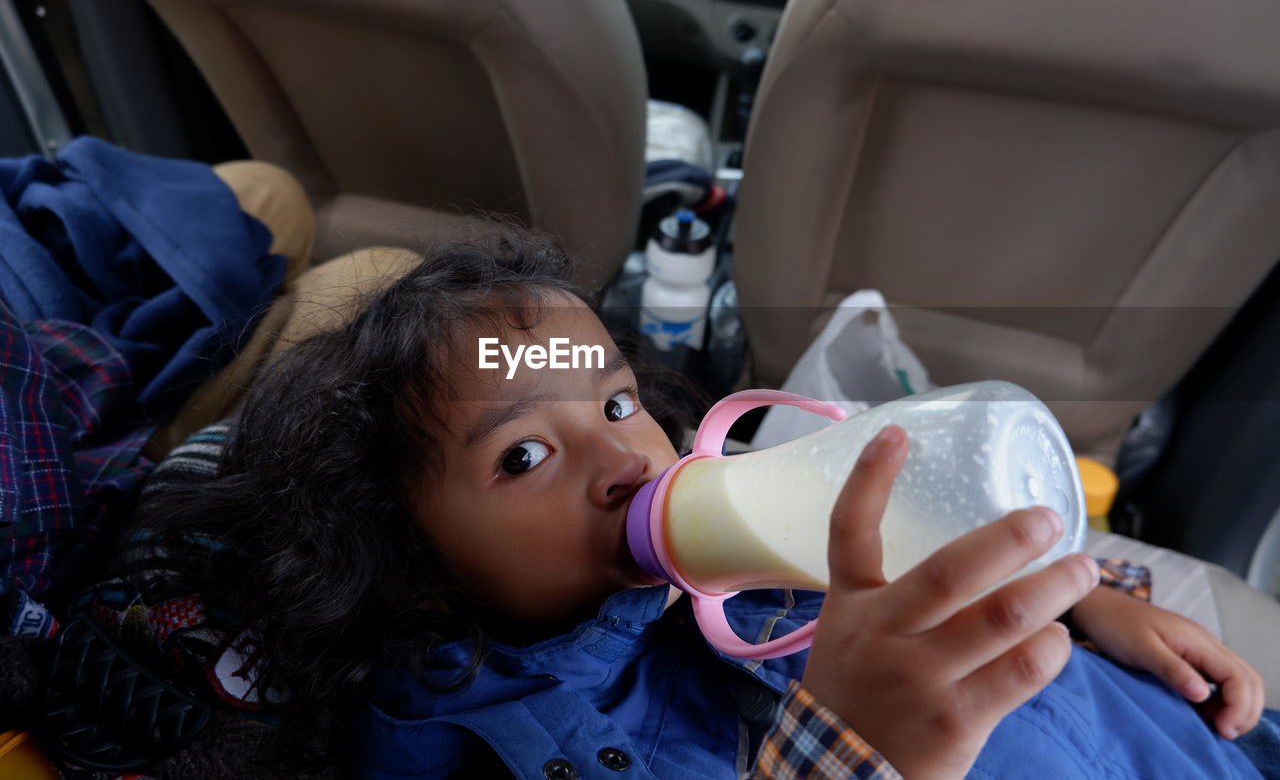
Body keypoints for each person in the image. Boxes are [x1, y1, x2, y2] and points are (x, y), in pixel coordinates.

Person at [134, 229, 1275, 779]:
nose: (624, 457)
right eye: (523, 457)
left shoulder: (736, 553)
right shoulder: (491, 745)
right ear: (412, 563)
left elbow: (921, 544)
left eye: (620, 400)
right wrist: (852, 748)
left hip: (1174, 730)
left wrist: (1079, 602)